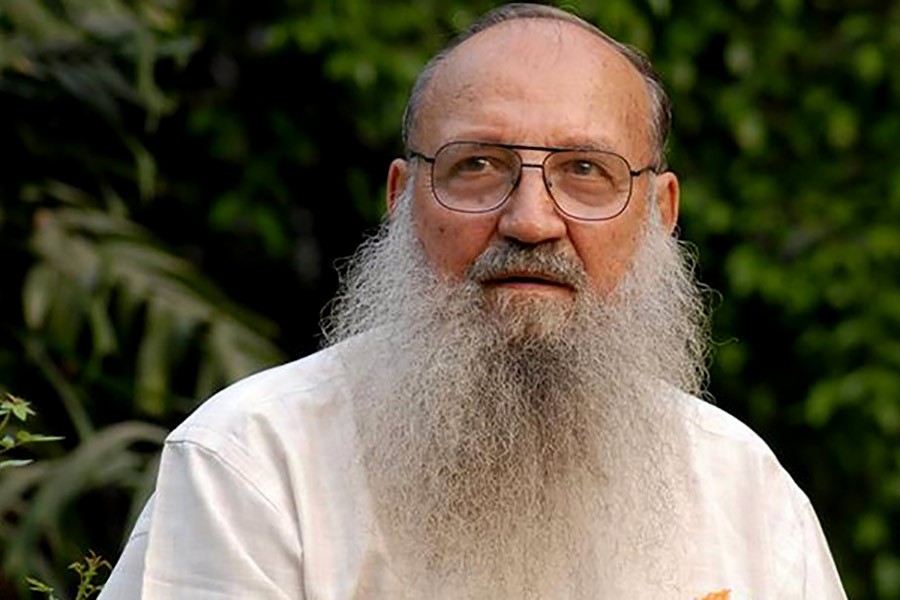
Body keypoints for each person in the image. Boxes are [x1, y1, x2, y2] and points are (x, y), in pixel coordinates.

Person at [100, 3, 848, 598]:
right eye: (479, 165)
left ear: (660, 212)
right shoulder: (256, 463)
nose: (531, 220)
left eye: (586, 171)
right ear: (403, 198)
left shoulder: (745, 491)